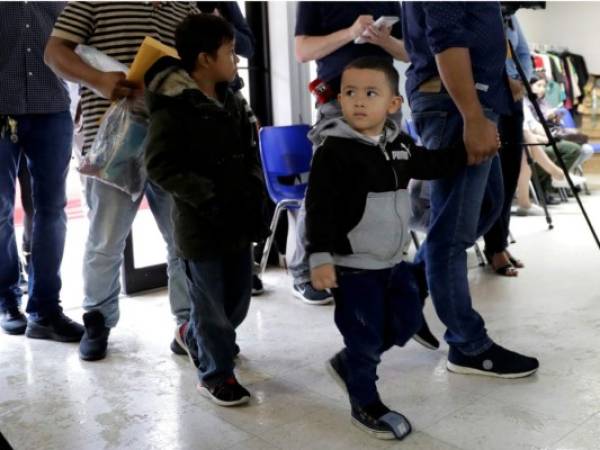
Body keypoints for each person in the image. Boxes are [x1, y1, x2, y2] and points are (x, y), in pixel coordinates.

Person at [306, 57, 467, 440]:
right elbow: (318, 208)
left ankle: (351, 362)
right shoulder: (334, 151)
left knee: (408, 319)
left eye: (370, 93)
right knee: (363, 337)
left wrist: (467, 151)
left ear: (393, 104)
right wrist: (320, 257)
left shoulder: (399, 145)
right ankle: (365, 400)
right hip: (354, 265)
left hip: (393, 261)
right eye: (349, 93)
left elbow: (430, 164)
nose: (358, 101)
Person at [44, 1, 199, 361]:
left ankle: (187, 324)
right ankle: (98, 320)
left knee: (183, 239)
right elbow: (54, 52)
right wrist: (98, 80)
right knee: (106, 239)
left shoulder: (184, 6)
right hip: (112, 138)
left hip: (172, 139)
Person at [402, 1, 539, 377]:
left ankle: (409, 288)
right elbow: (446, 39)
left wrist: (496, 83)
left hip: (472, 98)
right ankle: (467, 344)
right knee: (452, 235)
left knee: (488, 204)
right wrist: (473, 115)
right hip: (456, 105)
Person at [144, 14, 269, 406]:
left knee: (236, 300)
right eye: (230, 53)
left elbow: (250, 150)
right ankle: (215, 373)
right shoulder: (174, 107)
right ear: (203, 59)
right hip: (200, 224)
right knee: (211, 305)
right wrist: (207, 196)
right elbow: (160, 165)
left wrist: (253, 191)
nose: (236, 60)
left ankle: (197, 338)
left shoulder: (232, 99)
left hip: (236, 217)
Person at [291, 1, 408, 306]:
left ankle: (374, 263)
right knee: (324, 187)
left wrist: (386, 41)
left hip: (384, 100)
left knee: (383, 184)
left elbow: (411, 51)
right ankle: (304, 272)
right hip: (338, 100)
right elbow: (302, 50)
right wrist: (351, 32)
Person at [0, 2, 84, 341]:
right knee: (1, 211)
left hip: (52, 108)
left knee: (52, 211)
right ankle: (7, 298)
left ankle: (45, 309)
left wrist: (81, 98)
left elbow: (80, 43)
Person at [482, 14, 532, 277]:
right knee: (495, 175)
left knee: (511, 171)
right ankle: (495, 247)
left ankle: (499, 243)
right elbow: (480, 54)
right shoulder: (479, 10)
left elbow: (523, 52)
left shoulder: (510, 15)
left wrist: (521, 82)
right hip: (490, 93)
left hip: (514, 95)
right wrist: (506, 82)